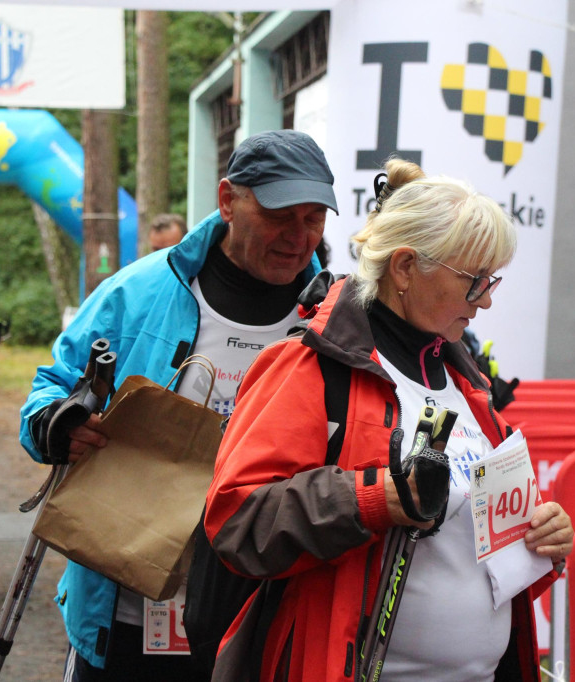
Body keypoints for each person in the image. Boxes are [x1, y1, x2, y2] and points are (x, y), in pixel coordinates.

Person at [204, 158, 574, 682]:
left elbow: (476, 554)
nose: (487, 300)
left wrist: (542, 539)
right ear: (404, 268)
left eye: (491, 281)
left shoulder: (469, 384)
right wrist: (376, 499)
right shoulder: (312, 367)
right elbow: (237, 521)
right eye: (474, 282)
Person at [18, 129, 338, 681]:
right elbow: (51, 388)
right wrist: (59, 423)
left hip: (263, 613)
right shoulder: (141, 292)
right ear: (228, 200)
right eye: (281, 213)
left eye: (314, 218)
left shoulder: (329, 323)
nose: (298, 235)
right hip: (129, 605)